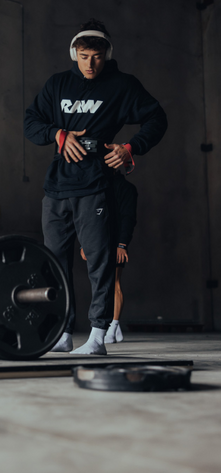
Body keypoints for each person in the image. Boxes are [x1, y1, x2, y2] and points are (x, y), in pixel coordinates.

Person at [24, 18, 167, 354]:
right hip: (57, 187)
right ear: (74, 53)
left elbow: (156, 117)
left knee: (99, 262)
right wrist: (57, 135)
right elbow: (32, 121)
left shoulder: (122, 85)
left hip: (94, 184)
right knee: (54, 264)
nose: (91, 63)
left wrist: (130, 148)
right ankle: (60, 333)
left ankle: (98, 336)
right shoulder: (58, 84)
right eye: (84, 55)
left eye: (97, 56)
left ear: (107, 54)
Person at [80, 171, 138, 343]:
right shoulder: (97, 185)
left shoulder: (126, 188)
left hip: (115, 240)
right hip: (98, 239)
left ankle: (113, 326)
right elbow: (86, 218)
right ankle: (114, 327)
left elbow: (129, 217)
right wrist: (85, 244)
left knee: (115, 283)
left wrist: (122, 244)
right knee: (100, 282)